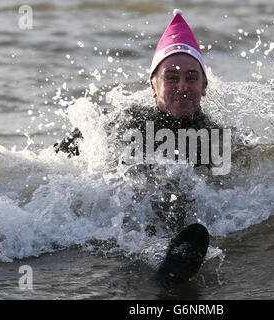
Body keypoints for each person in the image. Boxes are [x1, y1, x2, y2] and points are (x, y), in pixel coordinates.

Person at [55, 10, 218, 282]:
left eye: (191, 77)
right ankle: (155, 262)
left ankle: (174, 259)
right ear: (153, 86)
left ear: (204, 86)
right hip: (125, 221)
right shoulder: (122, 121)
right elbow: (58, 161)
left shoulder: (215, 135)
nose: (182, 86)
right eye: (171, 77)